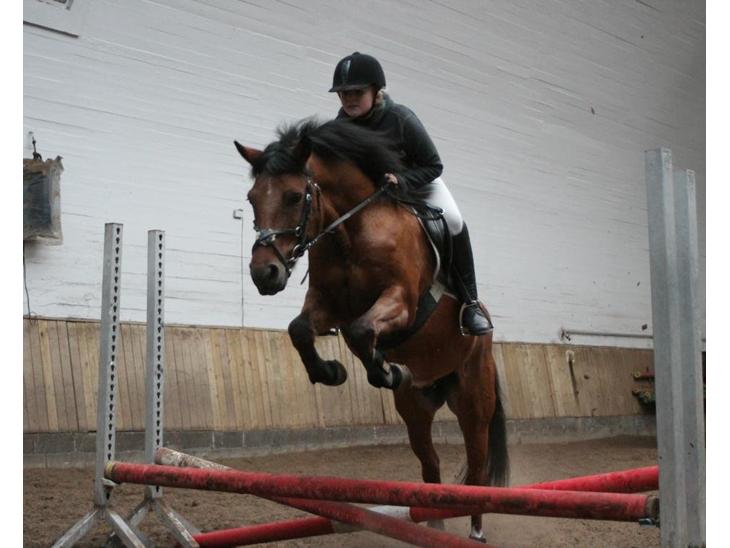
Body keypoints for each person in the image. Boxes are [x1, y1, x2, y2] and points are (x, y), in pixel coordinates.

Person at [329, 51, 493, 336]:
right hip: (377, 194)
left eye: (357, 92)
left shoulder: (401, 118)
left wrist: (403, 180)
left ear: (376, 91)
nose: (350, 99)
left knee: (454, 221)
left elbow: (434, 165)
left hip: (419, 182)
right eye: (344, 94)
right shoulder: (339, 126)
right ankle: (332, 303)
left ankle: (470, 303)